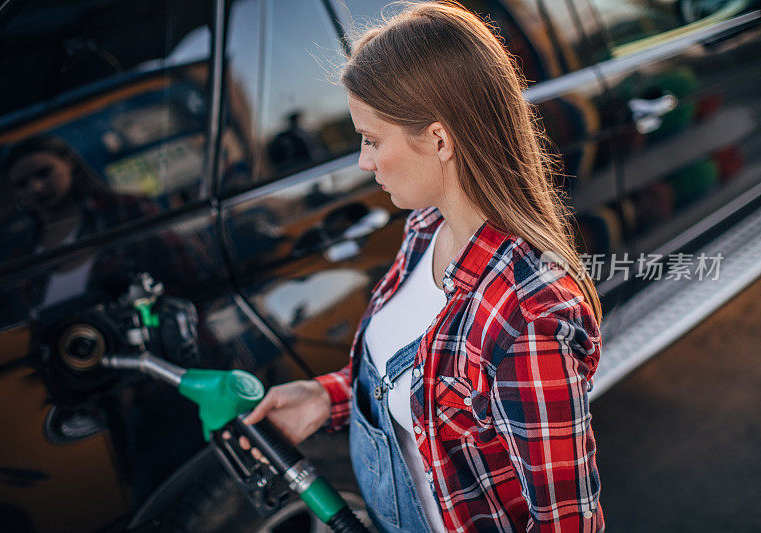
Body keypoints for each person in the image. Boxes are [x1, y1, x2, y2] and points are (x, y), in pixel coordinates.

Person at [230, 2, 604, 531]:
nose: (364, 161)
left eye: (372, 140)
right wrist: (327, 396)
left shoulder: (529, 318)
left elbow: (568, 523)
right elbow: (423, 389)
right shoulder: (426, 228)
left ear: (438, 139)